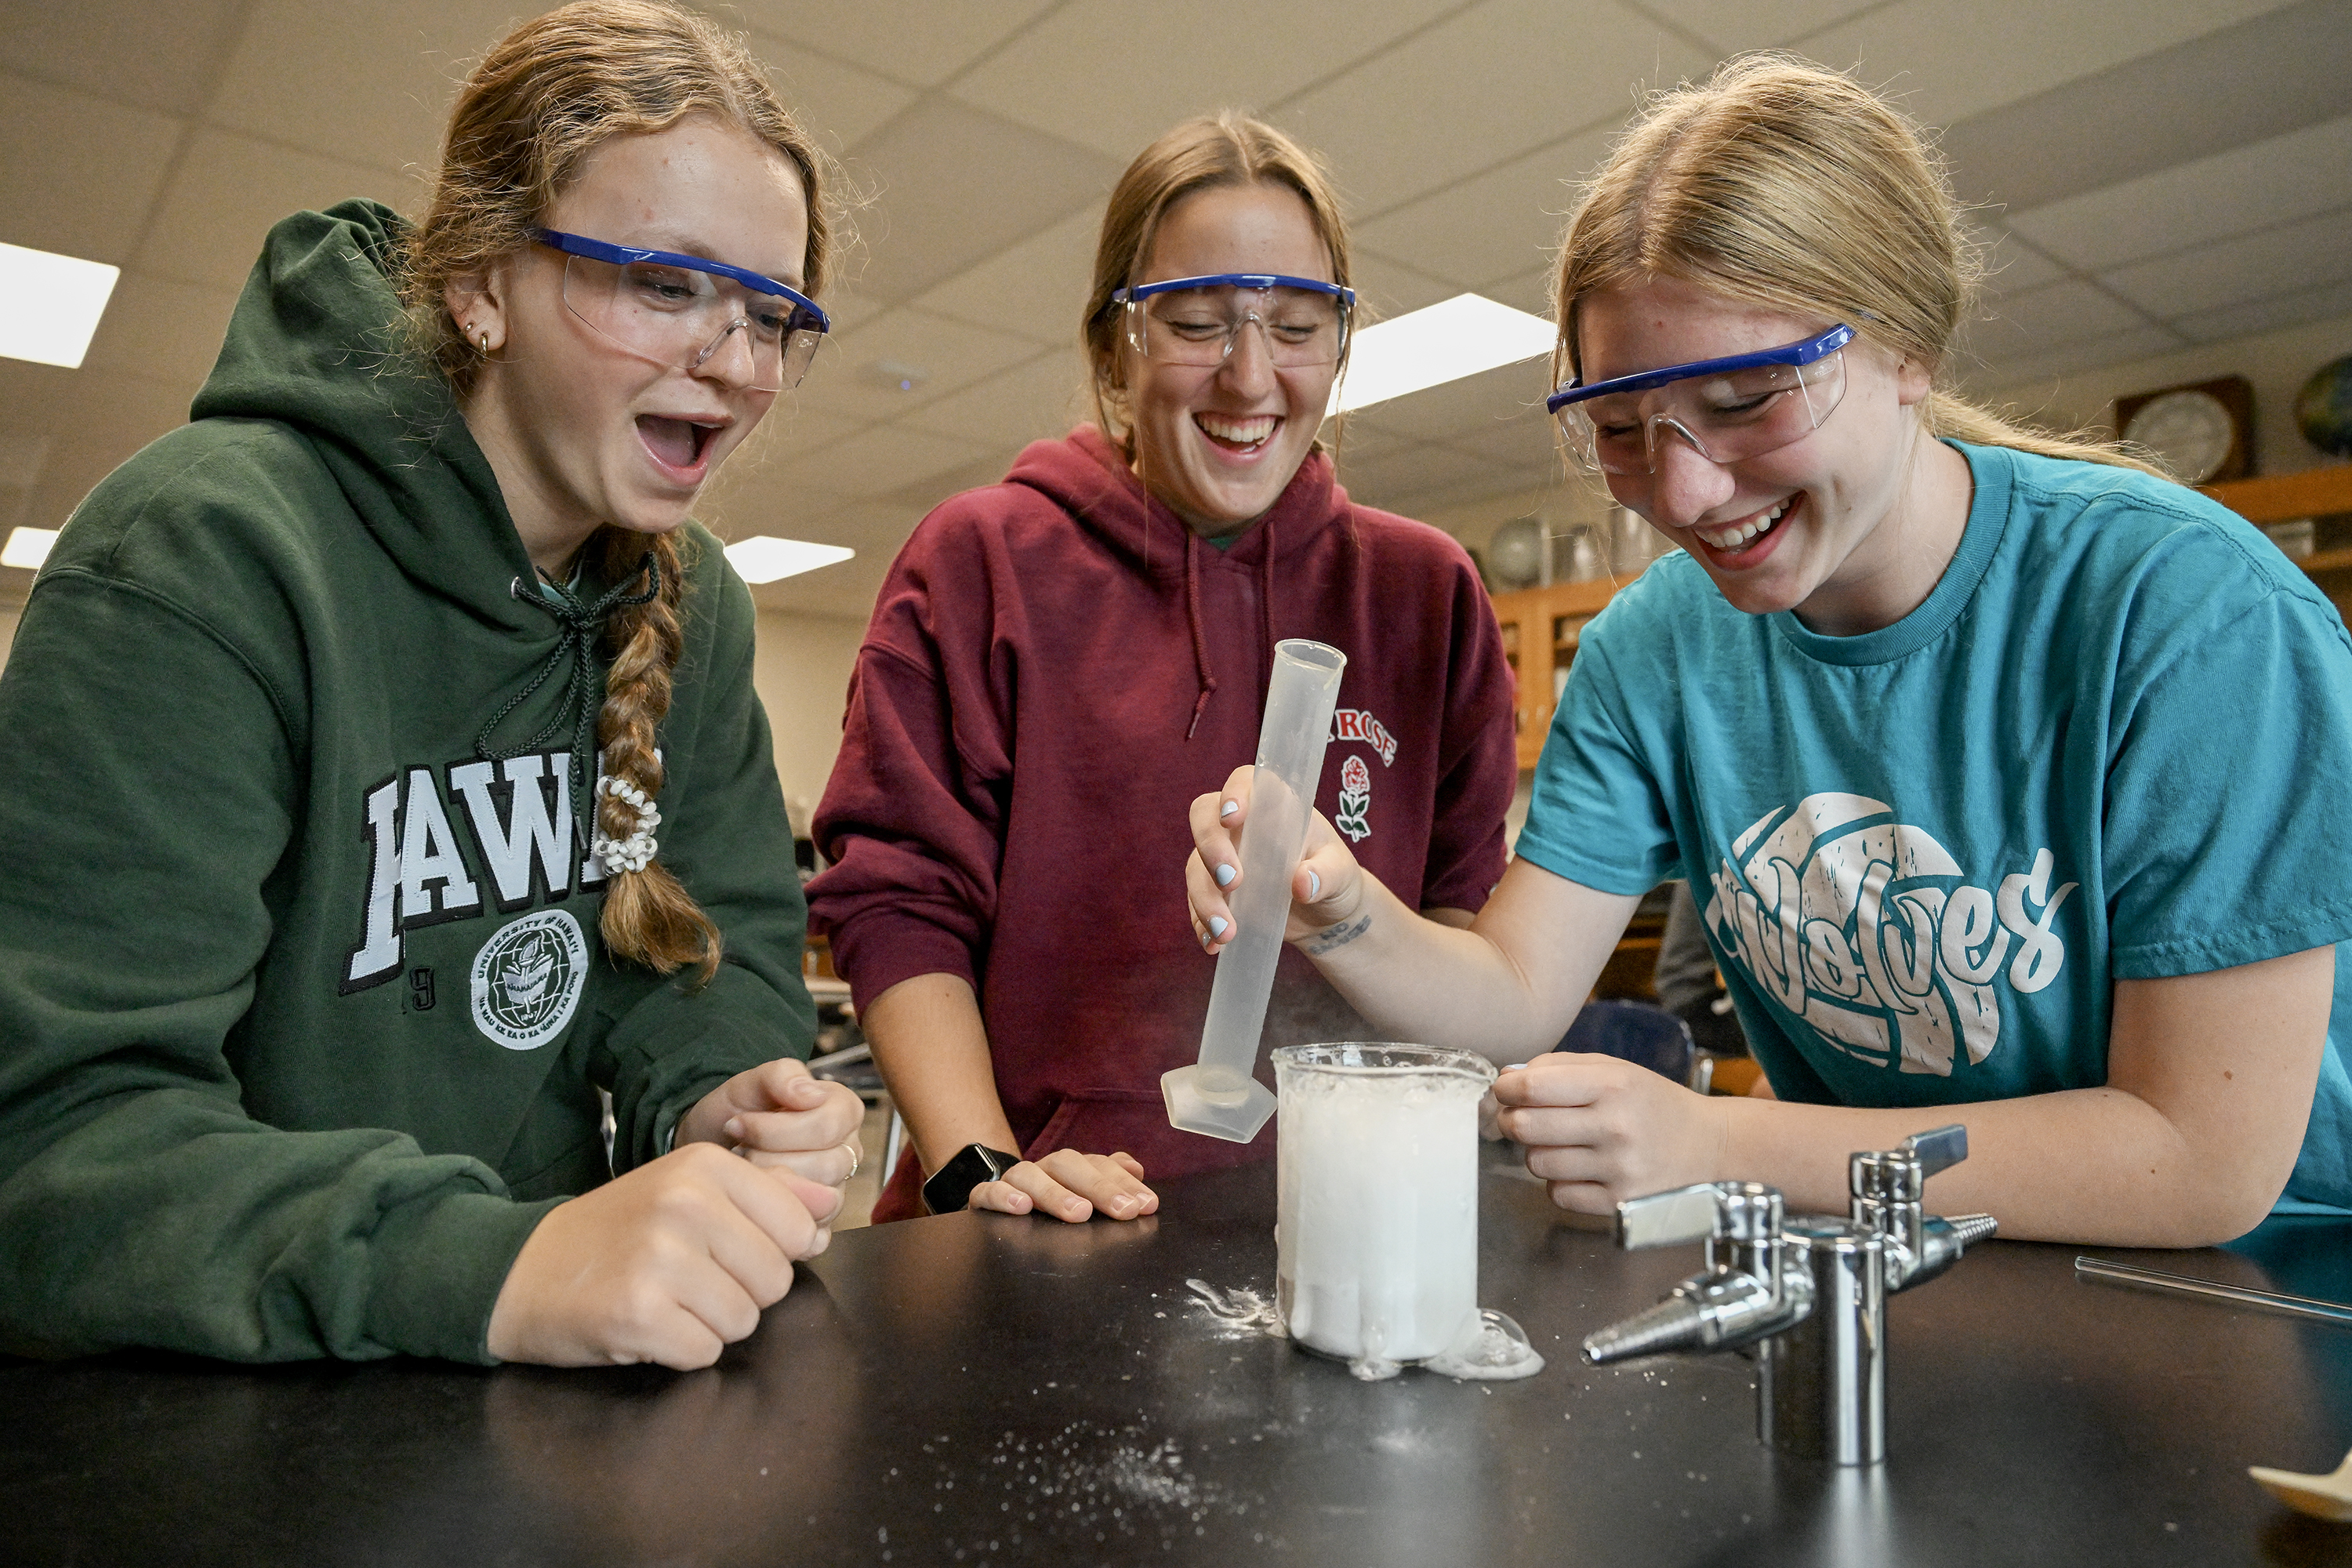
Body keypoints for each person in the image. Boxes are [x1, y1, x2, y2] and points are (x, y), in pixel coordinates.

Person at [1188, 55, 2352, 1249]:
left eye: (1747, 400)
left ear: (1912, 352)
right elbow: (1515, 1000)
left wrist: (1716, 1142)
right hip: (1888, 1270)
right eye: (1621, 431)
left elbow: (2197, 1161)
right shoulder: (1655, 652)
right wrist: (1334, 906)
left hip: (2244, 1299)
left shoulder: (2191, 617)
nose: (1683, 492)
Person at [0, 0, 867, 1369]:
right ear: (479, 283)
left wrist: (715, 1099)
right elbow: (55, 1145)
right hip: (223, 1378)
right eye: (663, 284)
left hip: (550, 1358)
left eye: (772, 314)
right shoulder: (205, 553)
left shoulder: (694, 604)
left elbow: (707, 957)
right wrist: (485, 1261)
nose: (735, 363)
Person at [808, 114, 1516, 1226]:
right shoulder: (983, 562)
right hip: (1047, 1225)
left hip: (1342, 1219)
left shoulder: (1425, 593)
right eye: (1194, 324)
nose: (1249, 377)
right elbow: (899, 903)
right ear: (1110, 348)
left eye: (1296, 327)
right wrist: (985, 1171)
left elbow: (1464, 922)